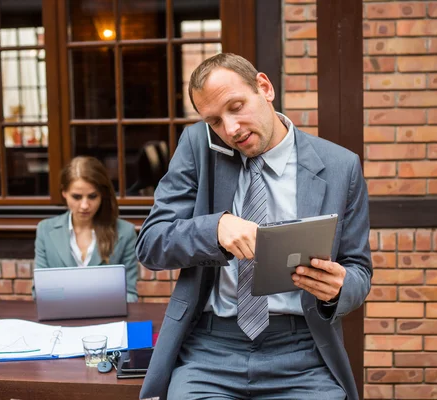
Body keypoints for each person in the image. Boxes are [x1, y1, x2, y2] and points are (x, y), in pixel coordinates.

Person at [136, 53, 372, 400]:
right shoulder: (198, 147)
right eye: (215, 120)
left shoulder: (341, 166)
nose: (230, 129)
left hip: (302, 355)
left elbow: (359, 271)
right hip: (210, 351)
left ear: (264, 87)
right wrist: (214, 229)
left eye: (236, 106)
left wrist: (339, 287)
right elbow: (151, 244)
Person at [34, 156, 139, 302]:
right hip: (61, 320)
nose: (84, 205)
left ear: (102, 194)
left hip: (107, 320)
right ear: (64, 193)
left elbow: (130, 294)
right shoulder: (45, 230)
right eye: (77, 197)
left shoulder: (125, 232)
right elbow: (40, 292)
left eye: (92, 196)